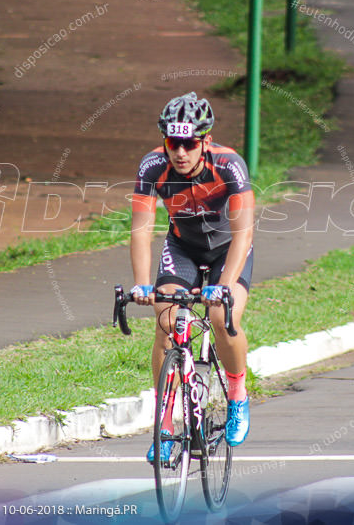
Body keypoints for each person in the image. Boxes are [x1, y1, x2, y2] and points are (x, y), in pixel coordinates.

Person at [129, 92, 255, 462]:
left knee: (222, 316)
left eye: (188, 143)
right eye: (173, 143)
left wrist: (224, 285)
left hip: (228, 251)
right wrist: (141, 284)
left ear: (205, 141)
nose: (180, 152)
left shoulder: (229, 165)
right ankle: (165, 424)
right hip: (183, 248)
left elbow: (244, 232)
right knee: (167, 322)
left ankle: (237, 397)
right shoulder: (152, 166)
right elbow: (141, 229)